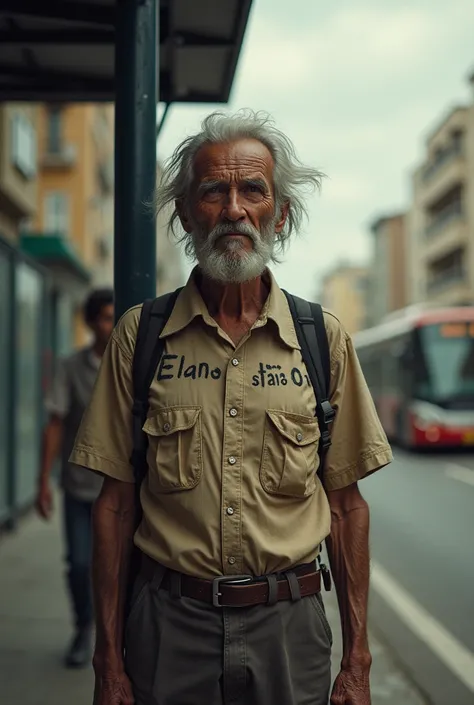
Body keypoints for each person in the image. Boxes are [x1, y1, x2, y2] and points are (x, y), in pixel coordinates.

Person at [70, 110, 393, 705]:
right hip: (168, 628)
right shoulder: (140, 337)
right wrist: (108, 659)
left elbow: (346, 509)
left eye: (253, 189)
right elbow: (112, 508)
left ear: (281, 213)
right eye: (214, 191)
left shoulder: (322, 339)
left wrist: (358, 659)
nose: (235, 208)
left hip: (290, 631)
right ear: (188, 212)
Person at [37, 288, 114, 668]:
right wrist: (41, 484)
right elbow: (54, 423)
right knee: (81, 564)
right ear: (89, 322)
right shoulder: (70, 367)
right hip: (79, 487)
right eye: (103, 318)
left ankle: (113, 637)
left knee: (120, 567)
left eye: (115, 317)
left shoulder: (131, 364)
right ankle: (85, 628)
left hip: (119, 491)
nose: (110, 326)